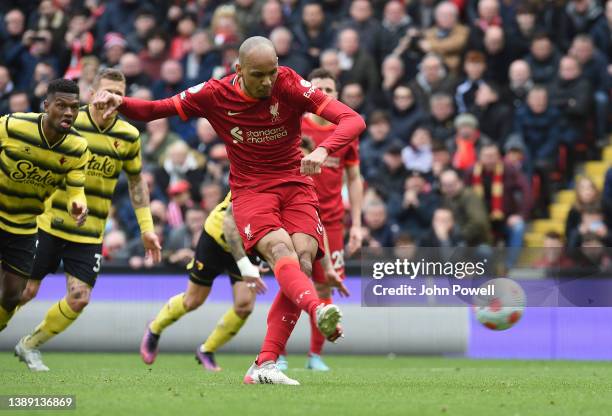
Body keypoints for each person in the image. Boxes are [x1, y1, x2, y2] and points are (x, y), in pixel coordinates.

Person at [93, 36, 365, 385]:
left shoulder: (290, 83)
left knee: (304, 258)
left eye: (272, 72)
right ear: (238, 70)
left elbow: (353, 120)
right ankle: (318, 308)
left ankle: (264, 365)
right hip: (252, 189)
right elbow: (155, 110)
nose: (268, 81)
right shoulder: (213, 93)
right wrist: (120, 101)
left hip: (296, 183)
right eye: (258, 75)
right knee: (280, 251)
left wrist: (322, 150)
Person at [15, 69, 162, 372]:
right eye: (106, 92)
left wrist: (147, 229)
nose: (112, 99)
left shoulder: (129, 135)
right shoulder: (69, 122)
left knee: (80, 298)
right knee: (23, 291)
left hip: (90, 233)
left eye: (119, 94)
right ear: (92, 93)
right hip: (49, 223)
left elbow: (136, 183)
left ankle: (29, 345)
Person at [277, 68, 361, 372]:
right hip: (297, 217)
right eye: (319, 88)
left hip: (333, 222)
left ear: (337, 95)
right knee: (294, 281)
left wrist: (360, 224)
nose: (324, 93)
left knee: (325, 287)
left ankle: (315, 354)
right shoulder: (295, 126)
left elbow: (354, 177)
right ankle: (280, 352)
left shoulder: (345, 130)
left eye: (330, 88)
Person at [140, 192, 267, 372]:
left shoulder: (288, 185)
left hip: (245, 244)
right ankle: (154, 328)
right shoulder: (254, 176)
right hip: (217, 237)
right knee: (193, 301)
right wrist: (247, 264)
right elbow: (230, 223)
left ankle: (206, 350)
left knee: (245, 305)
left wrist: (261, 256)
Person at [0, 78, 88, 334]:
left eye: (74, 107)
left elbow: (76, 190)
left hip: (25, 228)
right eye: (61, 105)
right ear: (46, 105)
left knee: (13, 296)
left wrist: (78, 205)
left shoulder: (77, 147)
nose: (69, 112)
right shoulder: (13, 125)